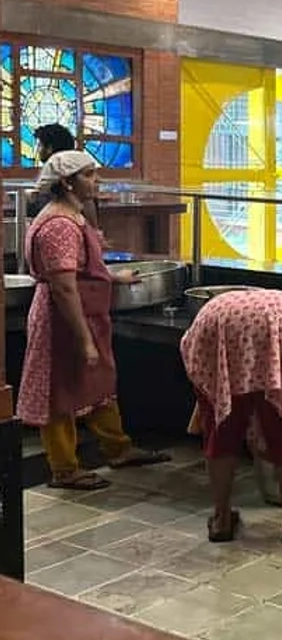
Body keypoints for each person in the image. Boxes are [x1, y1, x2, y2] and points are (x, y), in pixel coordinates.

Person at [18, 151, 169, 490]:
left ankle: (118, 448)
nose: (96, 181)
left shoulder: (73, 217)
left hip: (85, 315)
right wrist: (84, 339)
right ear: (67, 183)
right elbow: (64, 286)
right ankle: (64, 469)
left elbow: (79, 268)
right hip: (63, 321)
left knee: (98, 382)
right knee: (60, 391)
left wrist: (113, 277)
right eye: (88, 175)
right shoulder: (59, 225)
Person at [180, 289, 282, 545]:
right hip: (281, 329)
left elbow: (206, 382)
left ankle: (221, 519)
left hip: (214, 326)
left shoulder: (214, 313)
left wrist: (217, 404)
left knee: (221, 430)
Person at [27, 124, 95, 224]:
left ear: (49, 148)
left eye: (40, 145)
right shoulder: (74, 169)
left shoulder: (56, 177)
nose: (38, 150)